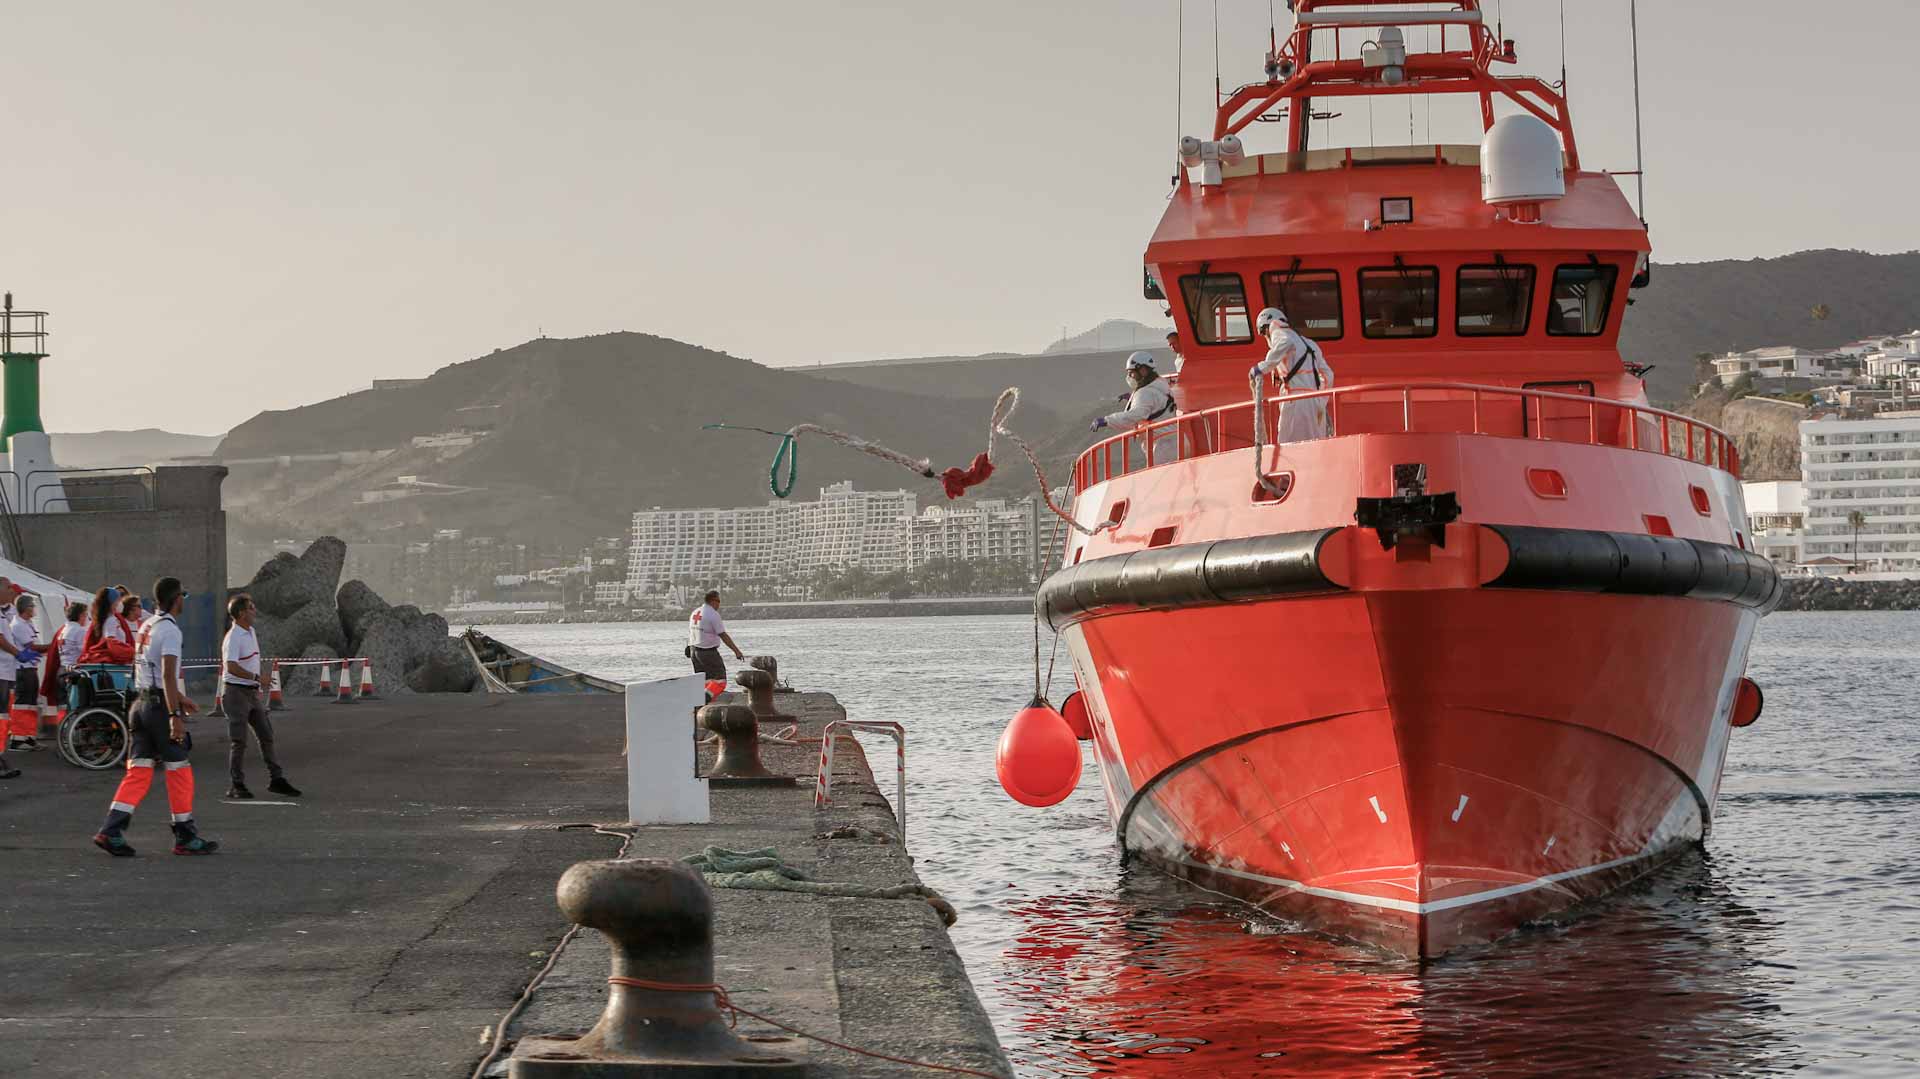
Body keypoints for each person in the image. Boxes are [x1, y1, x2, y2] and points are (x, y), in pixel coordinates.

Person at [91, 576, 219, 857]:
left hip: (140, 704)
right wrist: (175, 713)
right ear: (177, 599)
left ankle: (110, 830)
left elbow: (149, 672)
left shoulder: (147, 625)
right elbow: (166, 673)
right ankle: (185, 835)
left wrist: (177, 698)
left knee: (138, 771)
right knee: (179, 769)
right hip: (159, 707)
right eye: (183, 597)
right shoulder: (170, 630)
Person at [221, 593, 298, 799]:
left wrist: (257, 684)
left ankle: (276, 779)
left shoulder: (251, 631)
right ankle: (236, 784)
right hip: (236, 692)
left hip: (252, 693)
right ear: (241, 613)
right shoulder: (234, 636)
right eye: (251, 607)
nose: (255, 610)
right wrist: (257, 677)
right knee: (239, 741)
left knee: (266, 735)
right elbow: (231, 667)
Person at [1252, 307, 1335, 443]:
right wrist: (1321, 401)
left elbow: (1285, 343)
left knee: (1289, 447)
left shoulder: (1278, 331)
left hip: (1294, 401)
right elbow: (1328, 374)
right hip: (1315, 402)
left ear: (1266, 328)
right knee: (1315, 445)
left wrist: (1262, 368)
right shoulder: (1310, 343)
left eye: (1264, 333)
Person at [6, 595, 44, 751]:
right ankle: (17, 738)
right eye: (32, 606)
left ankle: (28, 737)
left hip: (30, 668)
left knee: (30, 705)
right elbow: (32, 646)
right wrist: (51, 646)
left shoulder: (27, 624)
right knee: (22, 704)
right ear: (25, 608)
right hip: (23, 669)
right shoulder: (19, 625)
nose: (34, 608)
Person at [687, 590, 745, 690]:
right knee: (720, 680)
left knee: (704, 680)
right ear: (712, 601)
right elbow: (723, 635)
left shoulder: (695, 612)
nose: (719, 604)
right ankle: (709, 699)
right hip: (707, 652)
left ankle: (703, 702)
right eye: (718, 601)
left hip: (693, 650)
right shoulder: (712, 614)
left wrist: (688, 646)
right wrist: (737, 651)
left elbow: (692, 632)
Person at [41, 600, 87, 713]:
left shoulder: (63, 629)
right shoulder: (79, 630)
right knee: (75, 704)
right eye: (86, 614)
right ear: (80, 615)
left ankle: (63, 727)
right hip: (73, 670)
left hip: (61, 670)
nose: (86, 617)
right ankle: (73, 728)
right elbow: (85, 652)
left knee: (62, 705)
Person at [79, 586, 136, 665]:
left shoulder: (103, 618)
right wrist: (130, 652)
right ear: (112, 602)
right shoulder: (111, 620)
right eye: (118, 600)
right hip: (115, 663)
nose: (120, 603)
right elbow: (111, 642)